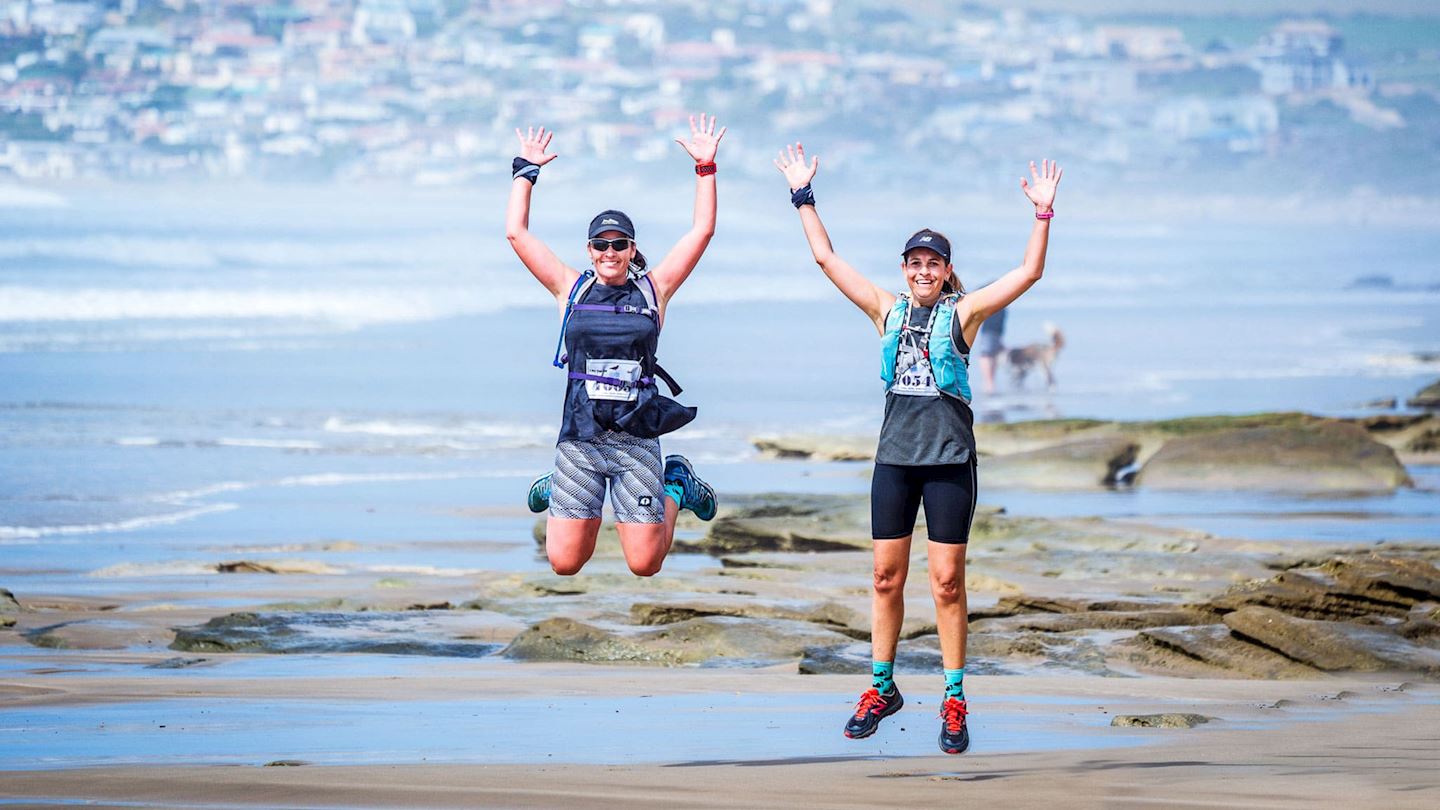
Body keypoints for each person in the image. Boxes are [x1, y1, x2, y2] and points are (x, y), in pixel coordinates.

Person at [773, 143, 1062, 755]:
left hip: (950, 464)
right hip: (895, 461)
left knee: (948, 582)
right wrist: (803, 194)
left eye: (933, 263)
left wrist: (1042, 214)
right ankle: (882, 686)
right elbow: (826, 258)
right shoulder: (886, 309)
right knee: (884, 577)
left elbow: (1028, 274)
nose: (923, 271)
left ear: (946, 270)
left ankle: (954, 698)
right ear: (904, 269)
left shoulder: (966, 314)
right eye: (914, 263)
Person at [506, 115, 726, 578]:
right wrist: (526, 172)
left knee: (645, 564)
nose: (610, 252)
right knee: (565, 563)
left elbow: (701, 231)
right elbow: (517, 234)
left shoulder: (653, 290)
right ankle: (557, 484)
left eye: (619, 244)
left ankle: (677, 484)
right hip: (581, 441)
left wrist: (705, 169)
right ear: (589, 250)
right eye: (600, 245)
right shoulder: (572, 288)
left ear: (632, 249)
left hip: (635, 440)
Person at [975, 293, 1006, 395]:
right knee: (987, 355)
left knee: (991, 355)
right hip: (990, 332)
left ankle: (990, 383)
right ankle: (989, 383)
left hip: (995, 333)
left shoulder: (1001, 304)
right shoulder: (994, 303)